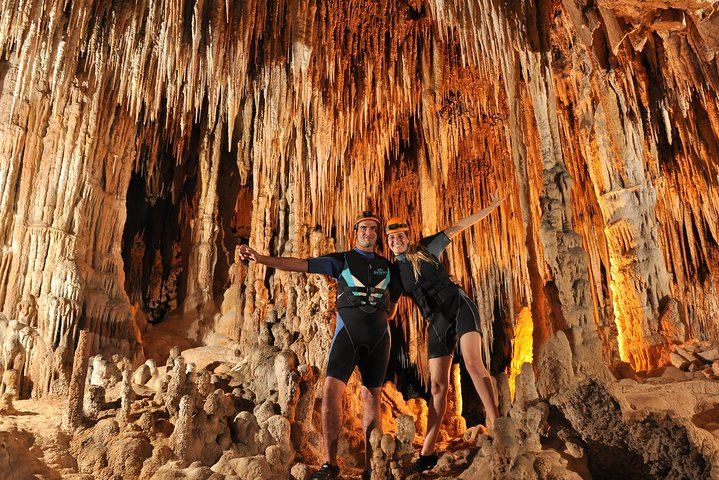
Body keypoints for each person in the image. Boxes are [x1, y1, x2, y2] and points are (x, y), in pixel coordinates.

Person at [239, 211, 400, 480]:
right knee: (330, 392)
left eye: (373, 229)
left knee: (372, 397)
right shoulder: (342, 261)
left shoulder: (389, 267)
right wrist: (262, 258)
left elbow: (396, 306)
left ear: (378, 235)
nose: (368, 233)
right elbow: (300, 264)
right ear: (355, 231)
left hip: (379, 338)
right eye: (364, 228)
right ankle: (330, 464)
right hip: (347, 335)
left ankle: (374, 468)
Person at [385, 197, 502, 472]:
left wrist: (492, 206)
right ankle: (427, 452)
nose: (396, 241)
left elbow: (458, 227)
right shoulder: (395, 275)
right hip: (436, 321)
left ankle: (499, 427)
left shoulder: (426, 248)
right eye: (391, 239)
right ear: (388, 243)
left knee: (473, 363)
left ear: (407, 237)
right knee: (438, 387)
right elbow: (390, 313)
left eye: (400, 236)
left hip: (458, 305)